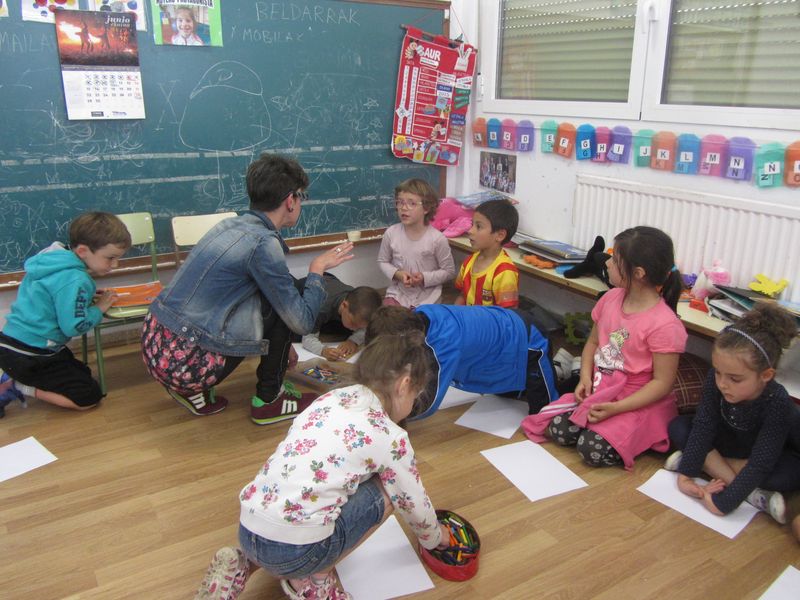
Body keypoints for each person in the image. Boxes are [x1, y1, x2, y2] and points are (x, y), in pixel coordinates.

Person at [194, 333, 450, 600]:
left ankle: (241, 564)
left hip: (248, 530)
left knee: (311, 499)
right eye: (416, 395)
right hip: (297, 553)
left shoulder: (330, 398)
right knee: (390, 490)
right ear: (404, 385)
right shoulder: (390, 436)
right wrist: (435, 538)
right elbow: (412, 500)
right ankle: (313, 581)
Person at [141, 153, 354, 424]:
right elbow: (301, 322)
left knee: (280, 292)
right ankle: (270, 400)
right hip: (185, 365)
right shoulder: (263, 243)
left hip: (157, 347)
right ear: (290, 200)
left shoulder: (229, 224)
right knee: (288, 301)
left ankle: (190, 390)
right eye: (302, 197)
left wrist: (282, 346)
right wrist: (317, 269)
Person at [521, 226, 687, 468]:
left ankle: (635, 434)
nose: (607, 263)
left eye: (615, 260)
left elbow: (662, 384)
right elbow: (593, 342)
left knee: (591, 449)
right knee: (558, 430)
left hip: (636, 402)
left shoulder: (665, 325)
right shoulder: (610, 298)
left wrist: (616, 408)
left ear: (638, 273)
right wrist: (585, 378)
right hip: (603, 390)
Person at [665, 303, 800, 525]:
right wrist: (685, 476)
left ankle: (705, 462)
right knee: (679, 427)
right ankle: (752, 494)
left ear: (766, 375)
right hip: (727, 442)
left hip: (761, 454)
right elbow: (704, 425)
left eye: (735, 379)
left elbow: (760, 462)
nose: (722, 384)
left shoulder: (778, 402)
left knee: (790, 473)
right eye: (718, 373)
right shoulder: (716, 381)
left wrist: (724, 502)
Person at [0, 212, 130, 416]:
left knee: (83, 373)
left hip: (14, 343)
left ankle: (16, 377)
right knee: (89, 397)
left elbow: (52, 296)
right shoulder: (75, 279)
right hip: (31, 355)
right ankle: (18, 385)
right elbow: (74, 327)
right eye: (110, 258)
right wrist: (99, 308)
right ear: (82, 251)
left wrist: (83, 298)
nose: (115, 265)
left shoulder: (52, 257)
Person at [365, 304, 558, 417]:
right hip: (500, 346)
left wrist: (389, 416)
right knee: (507, 395)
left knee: (544, 413)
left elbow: (430, 402)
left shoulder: (444, 343)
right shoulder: (418, 317)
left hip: (529, 339)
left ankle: (560, 369)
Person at [377, 178, 455, 308]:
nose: (403, 208)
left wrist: (424, 277)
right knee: (388, 317)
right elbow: (382, 261)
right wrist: (398, 274)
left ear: (426, 208)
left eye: (412, 203)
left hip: (429, 297)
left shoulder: (437, 239)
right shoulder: (391, 233)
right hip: (398, 294)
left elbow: (449, 271)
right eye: (400, 202)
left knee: (421, 319)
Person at [454, 198, 519, 308]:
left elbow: (508, 314)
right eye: (472, 224)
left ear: (500, 235)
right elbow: (462, 295)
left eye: (478, 226)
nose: (470, 230)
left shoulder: (505, 271)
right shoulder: (469, 262)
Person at [301, 274, 381, 362]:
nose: (355, 329)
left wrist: (353, 341)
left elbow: (365, 329)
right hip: (305, 293)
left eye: (359, 327)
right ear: (344, 305)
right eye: (353, 323)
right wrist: (323, 351)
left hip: (330, 283)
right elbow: (307, 339)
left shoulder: (355, 300)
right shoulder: (320, 308)